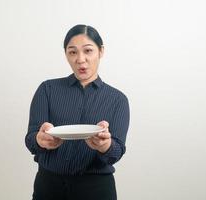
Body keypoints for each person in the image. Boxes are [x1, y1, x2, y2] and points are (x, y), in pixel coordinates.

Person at [25, 24, 130, 200]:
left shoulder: (118, 99)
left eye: (88, 51)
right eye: (72, 52)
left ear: (101, 51)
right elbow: (30, 140)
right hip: (49, 186)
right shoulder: (47, 89)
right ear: (66, 54)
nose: (80, 59)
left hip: (96, 189)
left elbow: (117, 152)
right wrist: (40, 139)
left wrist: (105, 146)